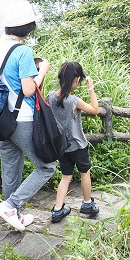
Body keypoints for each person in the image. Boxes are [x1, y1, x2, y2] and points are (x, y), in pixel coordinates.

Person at [0, 0, 55, 231]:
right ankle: (12, 205)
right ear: (28, 27)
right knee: (46, 167)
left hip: (1, 118)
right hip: (22, 118)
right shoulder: (23, 51)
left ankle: (13, 214)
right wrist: (43, 70)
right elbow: (28, 89)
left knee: (11, 167)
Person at [46, 61, 100, 223]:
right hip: (78, 145)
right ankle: (87, 204)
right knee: (85, 172)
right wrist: (91, 88)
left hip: (62, 147)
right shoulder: (74, 101)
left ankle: (57, 209)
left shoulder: (51, 96)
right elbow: (95, 110)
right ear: (75, 80)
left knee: (66, 176)